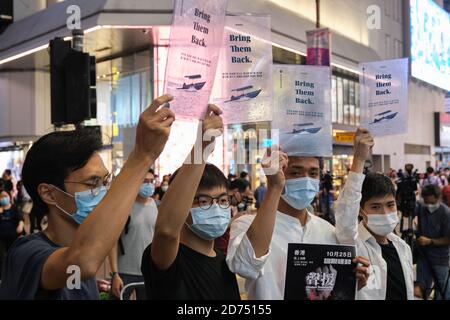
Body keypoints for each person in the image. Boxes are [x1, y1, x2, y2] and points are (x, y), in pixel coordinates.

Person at [0, 94, 175, 299]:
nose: (103, 192)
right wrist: (142, 156)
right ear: (49, 194)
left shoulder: (78, 260)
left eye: (105, 181)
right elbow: (81, 262)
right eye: (92, 183)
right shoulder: (27, 252)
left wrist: (202, 146)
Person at [226, 129, 370, 300]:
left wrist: (350, 283)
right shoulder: (247, 224)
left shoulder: (326, 231)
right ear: (280, 173)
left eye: (313, 173)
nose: (306, 179)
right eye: (295, 172)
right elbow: (245, 266)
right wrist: (274, 187)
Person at [141, 105, 240, 300]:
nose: (215, 207)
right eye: (203, 201)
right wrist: (202, 147)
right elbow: (167, 230)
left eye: (222, 200)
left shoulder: (225, 262)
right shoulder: (168, 259)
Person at [335, 130, 414, 300]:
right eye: (376, 207)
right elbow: (346, 211)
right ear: (361, 210)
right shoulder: (355, 245)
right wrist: (359, 159)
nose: (385, 213)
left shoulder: (403, 248)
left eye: (390, 205)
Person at [108, 168, 158, 300]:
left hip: (149, 270)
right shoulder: (124, 207)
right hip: (125, 272)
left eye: (151, 181)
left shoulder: (157, 206)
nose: (148, 185)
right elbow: (112, 242)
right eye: (144, 181)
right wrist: (115, 274)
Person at [415, 184, 450, 300]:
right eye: (425, 201)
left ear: (438, 197)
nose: (428, 205)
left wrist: (430, 241)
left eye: (430, 202)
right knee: (420, 289)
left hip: (440, 258)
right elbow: (407, 210)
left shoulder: (446, 213)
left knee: (443, 291)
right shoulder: (422, 207)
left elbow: (448, 239)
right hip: (423, 256)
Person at [0, 188, 24, 279]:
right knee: (2, 257)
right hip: (1, 237)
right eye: (1, 197)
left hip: (13, 236)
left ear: (9, 197)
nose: (3, 198)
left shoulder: (14, 208)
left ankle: (15, 273)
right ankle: (3, 277)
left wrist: (20, 225)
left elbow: (20, 219)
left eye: (5, 196)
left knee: (14, 255)